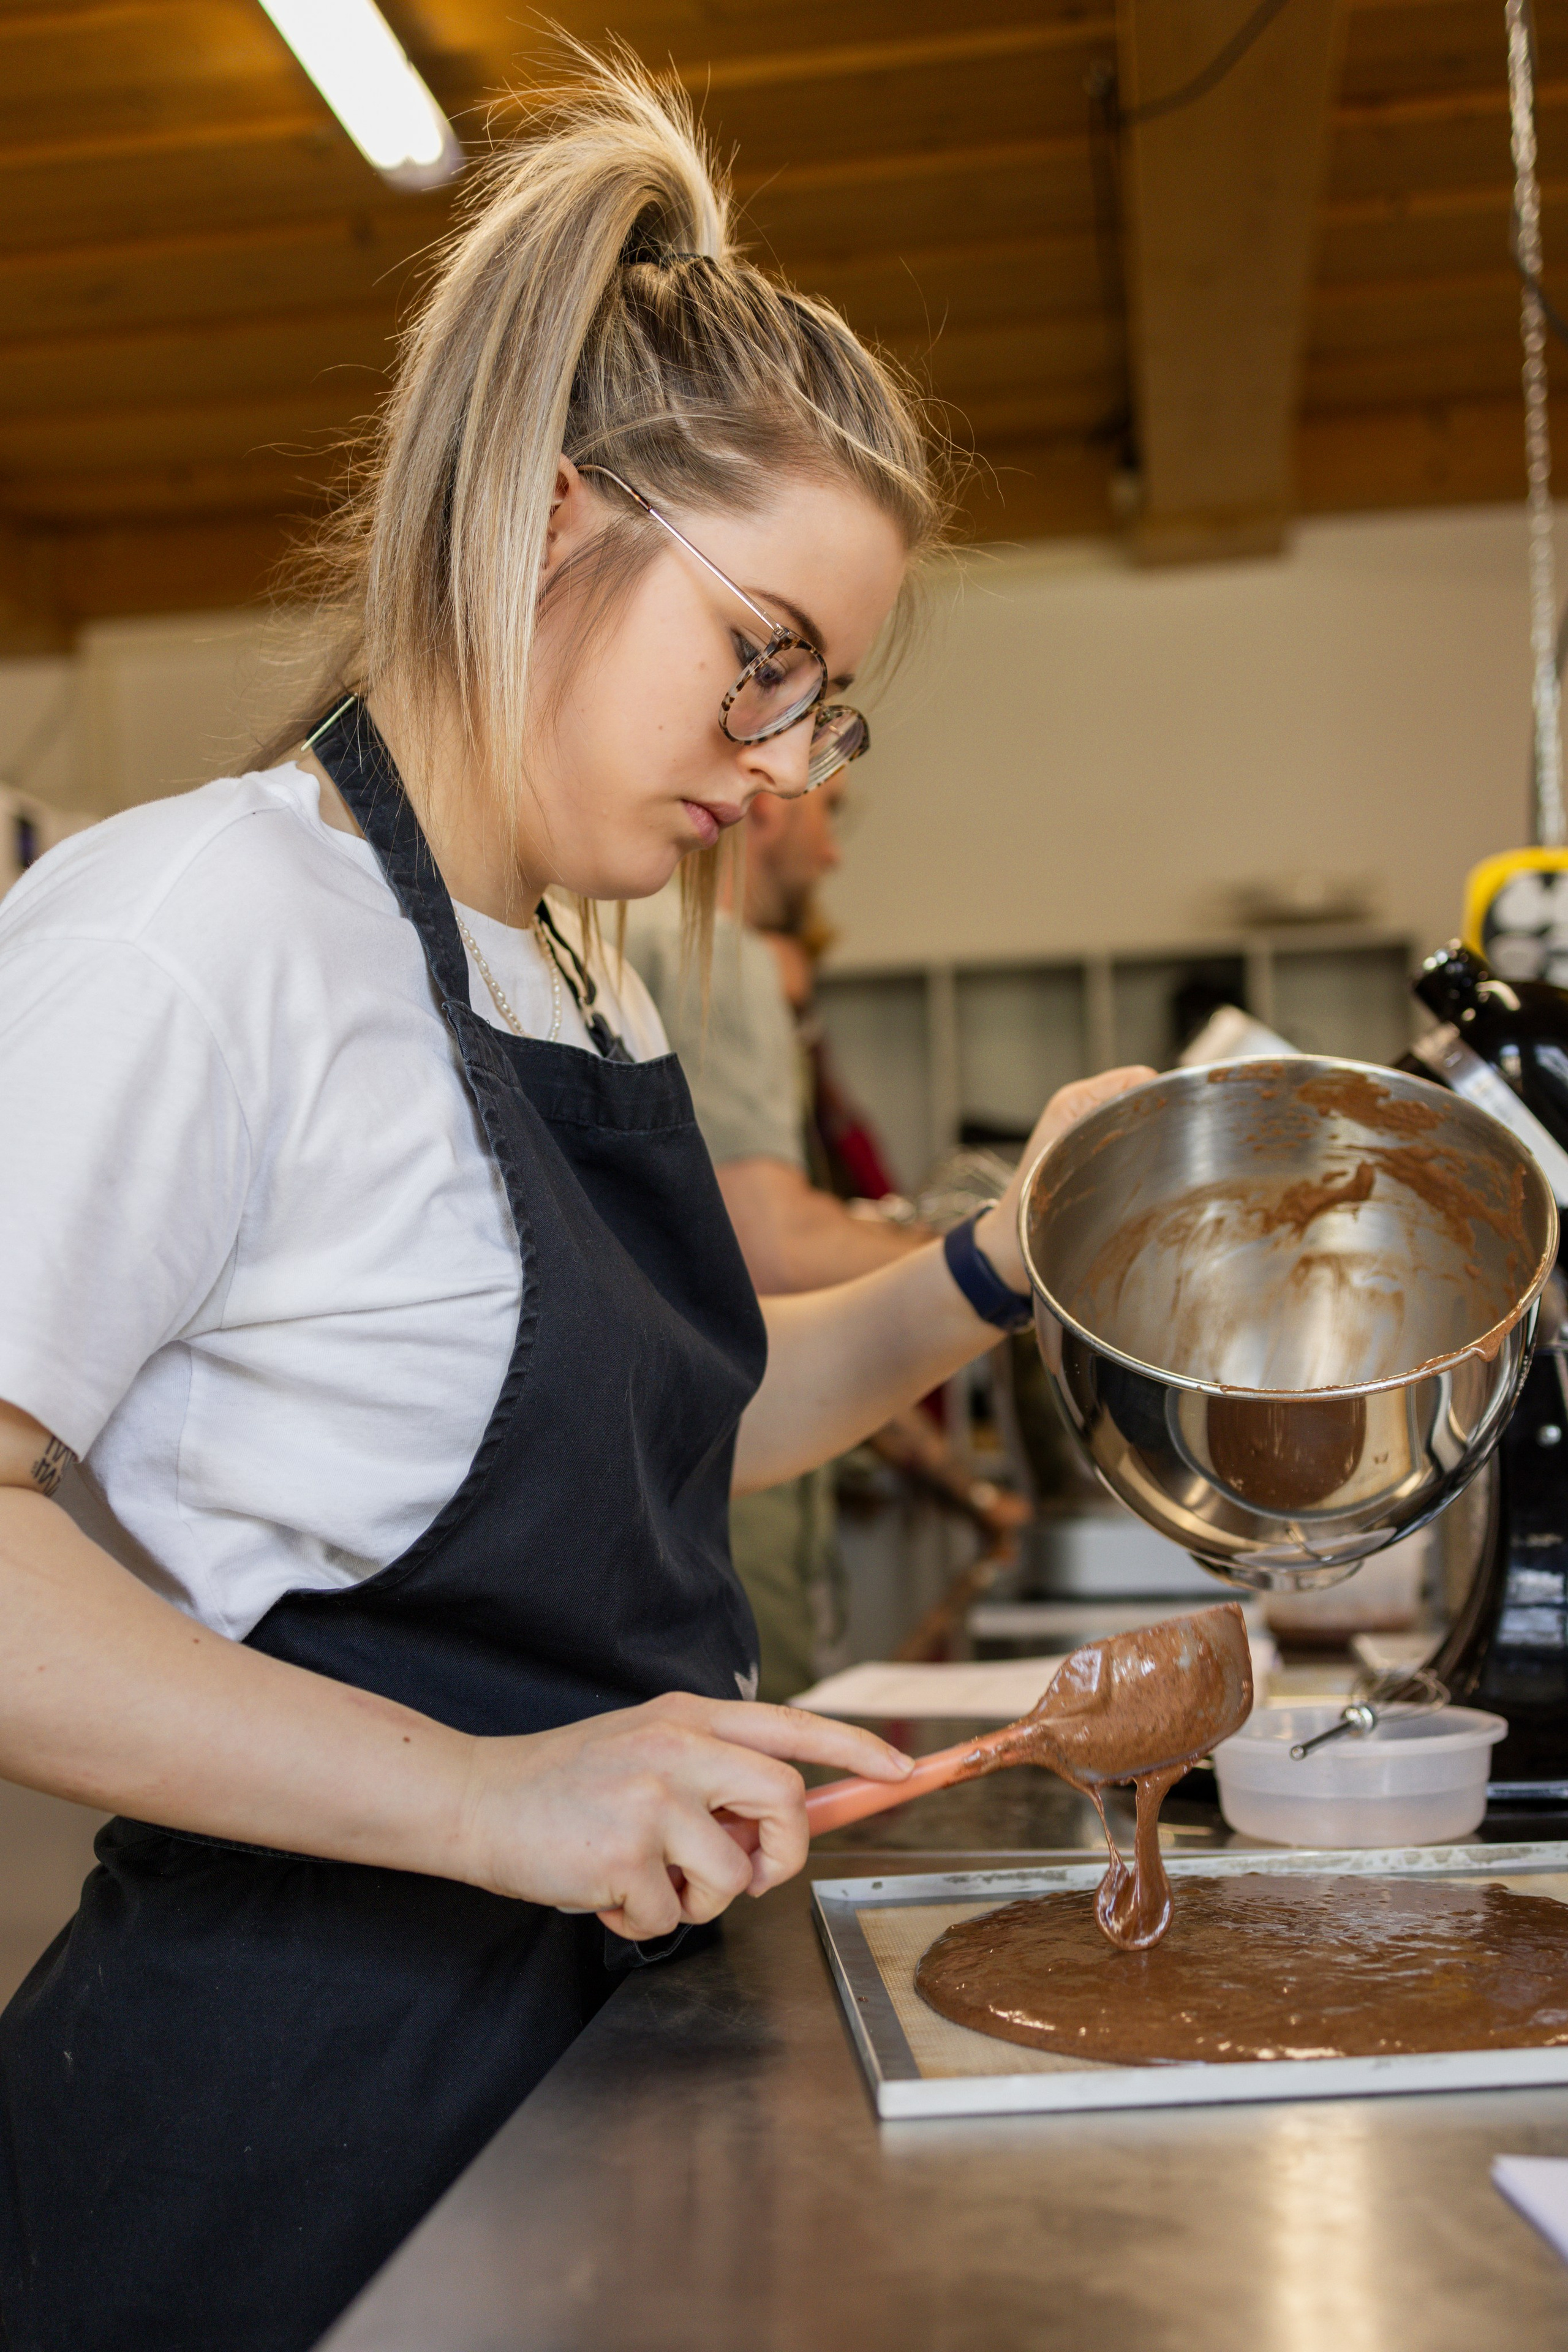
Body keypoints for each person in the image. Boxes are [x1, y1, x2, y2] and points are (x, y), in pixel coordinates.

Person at [0, 59, 1147, 2352]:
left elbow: (672, 1443)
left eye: (824, 707)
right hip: (281, 2135)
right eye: (765, 661)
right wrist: (502, 1804)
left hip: (569, 2073)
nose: (780, 761)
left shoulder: (572, 968)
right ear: (546, 520)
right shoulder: (199, 934)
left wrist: (1009, 1256)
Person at [625, 778, 1025, 1698]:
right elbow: (770, 1249)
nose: (835, 853)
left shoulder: (625, 953)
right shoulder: (713, 957)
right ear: (767, 801)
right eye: (829, 810)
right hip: (729, 1494)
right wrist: (1015, 1263)